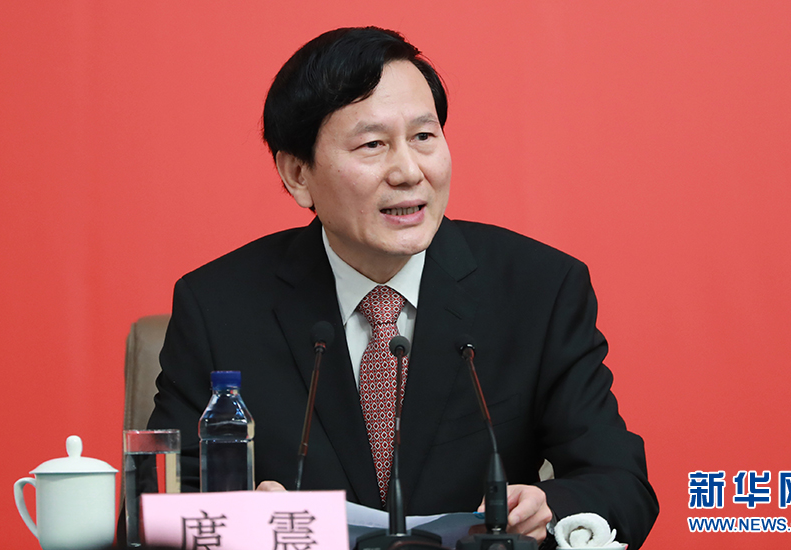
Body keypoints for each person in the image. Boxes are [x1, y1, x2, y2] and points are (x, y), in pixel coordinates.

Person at [147, 26, 658, 547]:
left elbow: (620, 485)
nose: (409, 171)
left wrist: (550, 511)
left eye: (423, 137)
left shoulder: (538, 290)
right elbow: (156, 514)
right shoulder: (217, 307)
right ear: (298, 173)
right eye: (373, 144)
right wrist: (239, 522)